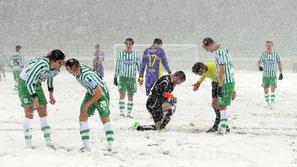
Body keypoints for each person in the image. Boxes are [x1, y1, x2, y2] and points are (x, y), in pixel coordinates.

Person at [18, 49, 65, 149]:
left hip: (36, 84)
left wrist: (51, 94)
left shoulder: (55, 69)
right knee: (29, 112)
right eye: (60, 62)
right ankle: (28, 144)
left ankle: (48, 141)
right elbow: (29, 82)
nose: (62, 64)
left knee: (43, 111)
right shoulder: (41, 65)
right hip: (25, 83)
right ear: (54, 61)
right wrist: (35, 100)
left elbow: (49, 77)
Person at [65, 58, 114, 152]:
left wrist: (88, 104)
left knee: (104, 118)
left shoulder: (87, 77)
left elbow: (100, 92)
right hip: (91, 92)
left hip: (101, 93)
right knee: (83, 116)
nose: (67, 71)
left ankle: (111, 146)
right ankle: (87, 147)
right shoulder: (78, 69)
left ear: (74, 67)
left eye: (68, 69)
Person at [202, 37, 235, 135]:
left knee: (222, 106)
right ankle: (223, 128)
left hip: (226, 82)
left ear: (210, 44)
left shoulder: (219, 53)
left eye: (206, 49)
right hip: (229, 80)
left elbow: (222, 70)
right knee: (221, 105)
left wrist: (220, 85)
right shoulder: (224, 49)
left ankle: (223, 130)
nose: (208, 51)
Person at [192, 62, 236, 132]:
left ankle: (220, 125)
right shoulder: (204, 69)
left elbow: (228, 76)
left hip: (223, 83)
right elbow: (204, 75)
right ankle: (222, 125)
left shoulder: (214, 68)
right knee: (214, 104)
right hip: (215, 82)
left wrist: (233, 91)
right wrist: (198, 83)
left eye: (198, 73)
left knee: (221, 105)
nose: (199, 75)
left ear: (202, 69)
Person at [114, 38, 140, 118]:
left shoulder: (136, 54)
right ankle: (122, 113)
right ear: (125, 44)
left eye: (130, 44)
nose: (128, 45)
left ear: (132, 45)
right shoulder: (121, 54)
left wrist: (141, 76)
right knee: (122, 95)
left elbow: (139, 65)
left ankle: (129, 114)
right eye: (127, 44)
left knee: (130, 96)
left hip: (132, 78)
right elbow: (118, 65)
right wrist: (115, 76)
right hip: (122, 77)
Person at [257, 41, 283, 105]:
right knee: (266, 90)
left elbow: (279, 63)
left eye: (270, 45)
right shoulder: (263, 54)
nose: (268, 46)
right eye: (267, 45)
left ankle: (272, 101)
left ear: (272, 46)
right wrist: (259, 66)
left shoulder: (276, 54)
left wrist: (281, 73)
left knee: (273, 88)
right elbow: (259, 62)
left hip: (273, 74)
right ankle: (267, 101)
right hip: (265, 75)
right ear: (265, 46)